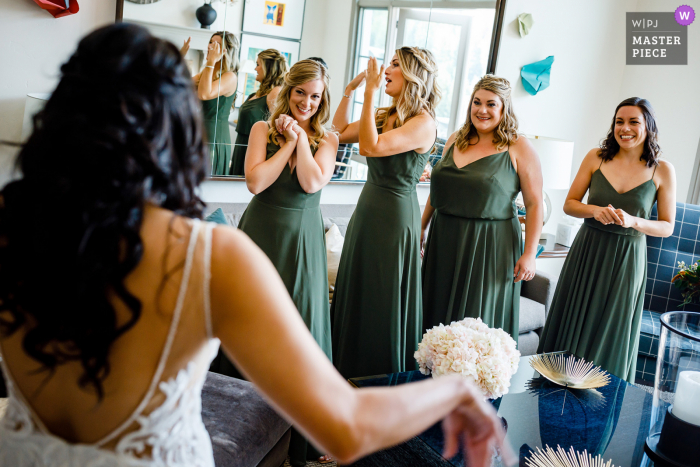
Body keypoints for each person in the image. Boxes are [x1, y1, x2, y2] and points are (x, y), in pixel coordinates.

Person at [0, 24, 514, 467]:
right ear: (177, 132)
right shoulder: (209, 254)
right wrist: (456, 387)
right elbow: (346, 425)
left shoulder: (13, 225)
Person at [240, 59, 338, 466]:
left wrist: (301, 140)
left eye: (315, 97)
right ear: (288, 90)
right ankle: (242, 427)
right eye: (301, 93)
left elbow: (312, 182)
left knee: (299, 331)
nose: (307, 102)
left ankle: (295, 438)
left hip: (301, 244)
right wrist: (285, 145)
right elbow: (256, 182)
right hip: (261, 234)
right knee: (250, 323)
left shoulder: (328, 139)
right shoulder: (262, 127)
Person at [538, 97, 676, 382]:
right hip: (588, 250)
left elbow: (667, 226)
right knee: (572, 318)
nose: (625, 128)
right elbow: (570, 204)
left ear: (648, 126)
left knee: (612, 327)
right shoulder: (595, 157)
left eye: (634, 122)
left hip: (628, 258)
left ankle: (598, 397)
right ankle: (552, 388)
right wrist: (594, 210)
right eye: (619, 122)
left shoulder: (662, 170)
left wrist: (634, 221)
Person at [331, 48, 440, 379]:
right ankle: (343, 369)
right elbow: (337, 133)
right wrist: (350, 92)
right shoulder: (382, 114)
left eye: (395, 65)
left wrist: (369, 93)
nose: (387, 70)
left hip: (395, 215)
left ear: (412, 74)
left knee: (382, 295)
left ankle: (379, 375)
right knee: (358, 287)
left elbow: (370, 148)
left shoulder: (423, 123)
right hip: (367, 209)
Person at [420, 76, 543, 345]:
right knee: (436, 317)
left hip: (491, 245)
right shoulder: (455, 139)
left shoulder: (518, 147)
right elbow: (439, 190)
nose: (482, 110)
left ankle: (475, 383)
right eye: (477, 102)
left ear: (504, 108)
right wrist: (422, 226)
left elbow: (535, 204)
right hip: (444, 239)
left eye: (490, 104)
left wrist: (530, 253)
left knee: (477, 323)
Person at [181, 32, 239, 176]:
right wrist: (179, 58)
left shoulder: (230, 77)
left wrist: (210, 62)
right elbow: (178, 82)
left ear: (226, 50)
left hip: (215, 134)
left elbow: (204, 94)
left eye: (216, 44)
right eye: (210, 42)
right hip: (198, 131)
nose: (210, 46)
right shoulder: (205, 74)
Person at [230, 49, 287, 175]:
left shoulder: (275, 92)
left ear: (268, 68)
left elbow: (277, 130)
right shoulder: (254, 94)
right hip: (241, 146)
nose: (255, 69)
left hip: (253, 150)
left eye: (258, 64)